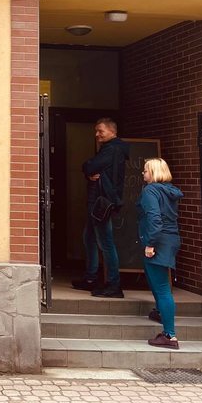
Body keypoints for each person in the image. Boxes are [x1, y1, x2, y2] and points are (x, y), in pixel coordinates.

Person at [72, 118, 130, 298]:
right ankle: (90, 278)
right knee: (89, 237)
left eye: (100, 131)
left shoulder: (113, 149)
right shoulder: (109, 148)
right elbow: (91, 170)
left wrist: (88, 169)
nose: (97, 134)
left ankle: (114, 285)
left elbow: (90, 165)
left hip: (102, 202)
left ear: (112, 131)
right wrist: (89, 174)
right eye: (96, 131)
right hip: (97, 201)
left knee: (105, 242)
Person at [138, 158, 184, 349]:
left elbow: (154, 218)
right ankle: (160, 312)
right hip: (170, 239)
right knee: (156, 281)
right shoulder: (169, 190)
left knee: (162, 287)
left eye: (146, 170)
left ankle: (170, 336)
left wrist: (150, 243)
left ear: (154, 173)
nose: (143, 173)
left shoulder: (150, 191)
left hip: (158, 241)